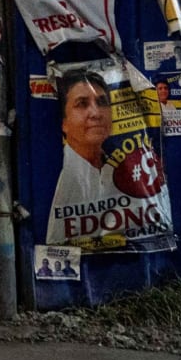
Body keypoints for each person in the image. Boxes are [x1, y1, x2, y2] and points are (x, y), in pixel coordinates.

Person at [46, 70, 119, 244]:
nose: (96, 113)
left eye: (102, 102)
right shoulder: (56, 178)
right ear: (64, 123)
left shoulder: (120, 168)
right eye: (82, 104)